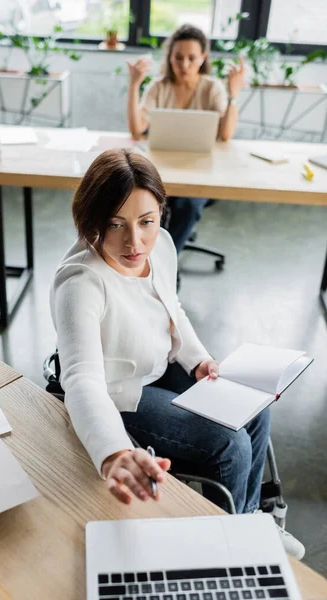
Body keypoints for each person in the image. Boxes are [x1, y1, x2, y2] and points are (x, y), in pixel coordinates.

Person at [49, 148, 304, 559]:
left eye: (147, 222)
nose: (135, 242)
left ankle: (251, 516)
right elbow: (81, 380)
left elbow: (173, 310)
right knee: (230, 444)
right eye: (115, 224)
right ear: (91, 220)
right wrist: (112, 452)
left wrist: (198, 360)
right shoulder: (80, 282)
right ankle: (230, 548)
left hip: (159, 364)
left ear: (161, 214)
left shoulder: (161, 244)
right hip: (120, 390)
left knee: (254, 408)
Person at [127, 24, 245, 254]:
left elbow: (226, 134)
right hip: (161, 171)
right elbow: (136, 130)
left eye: (192, 58)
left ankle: (166, 261)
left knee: (188, 205)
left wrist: (233, 95)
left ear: (203, 58)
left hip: (201, 172)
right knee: (143, 200)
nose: (184, 65)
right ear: (169, 57)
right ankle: (154, 256)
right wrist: (134, 85)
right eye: (178, 57)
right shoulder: (158, 87)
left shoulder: (212, 88)